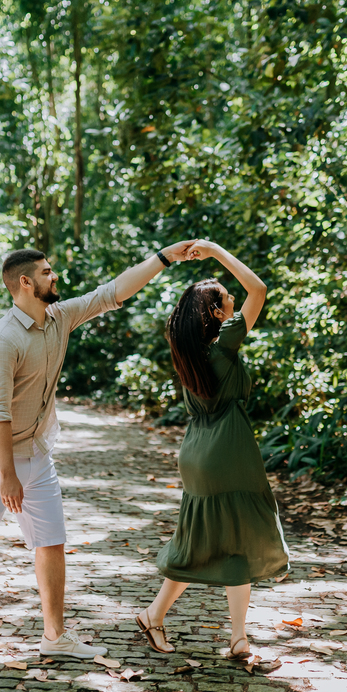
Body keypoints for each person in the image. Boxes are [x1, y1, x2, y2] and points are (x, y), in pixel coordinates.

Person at [0, 241, 196, 664]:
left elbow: (113, 292)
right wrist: (7, 474)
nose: (54, 277)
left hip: (36, 451)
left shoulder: (59, 317)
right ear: (24, 282)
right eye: (47, 272)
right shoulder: (3, 340)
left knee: (51, 539)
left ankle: (55, 636)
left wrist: (165, 256)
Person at [135, 239, 290, 660]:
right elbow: (258, 289)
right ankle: (223, 634)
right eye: (225, 297)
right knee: (234, 542)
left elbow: (246, 295)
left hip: (196, 453)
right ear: (216, 313)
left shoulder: (188, 352)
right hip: (229, 451)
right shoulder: (223, 345)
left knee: (203, 542)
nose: (234, 297)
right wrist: (215, 250)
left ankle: (174, 620)